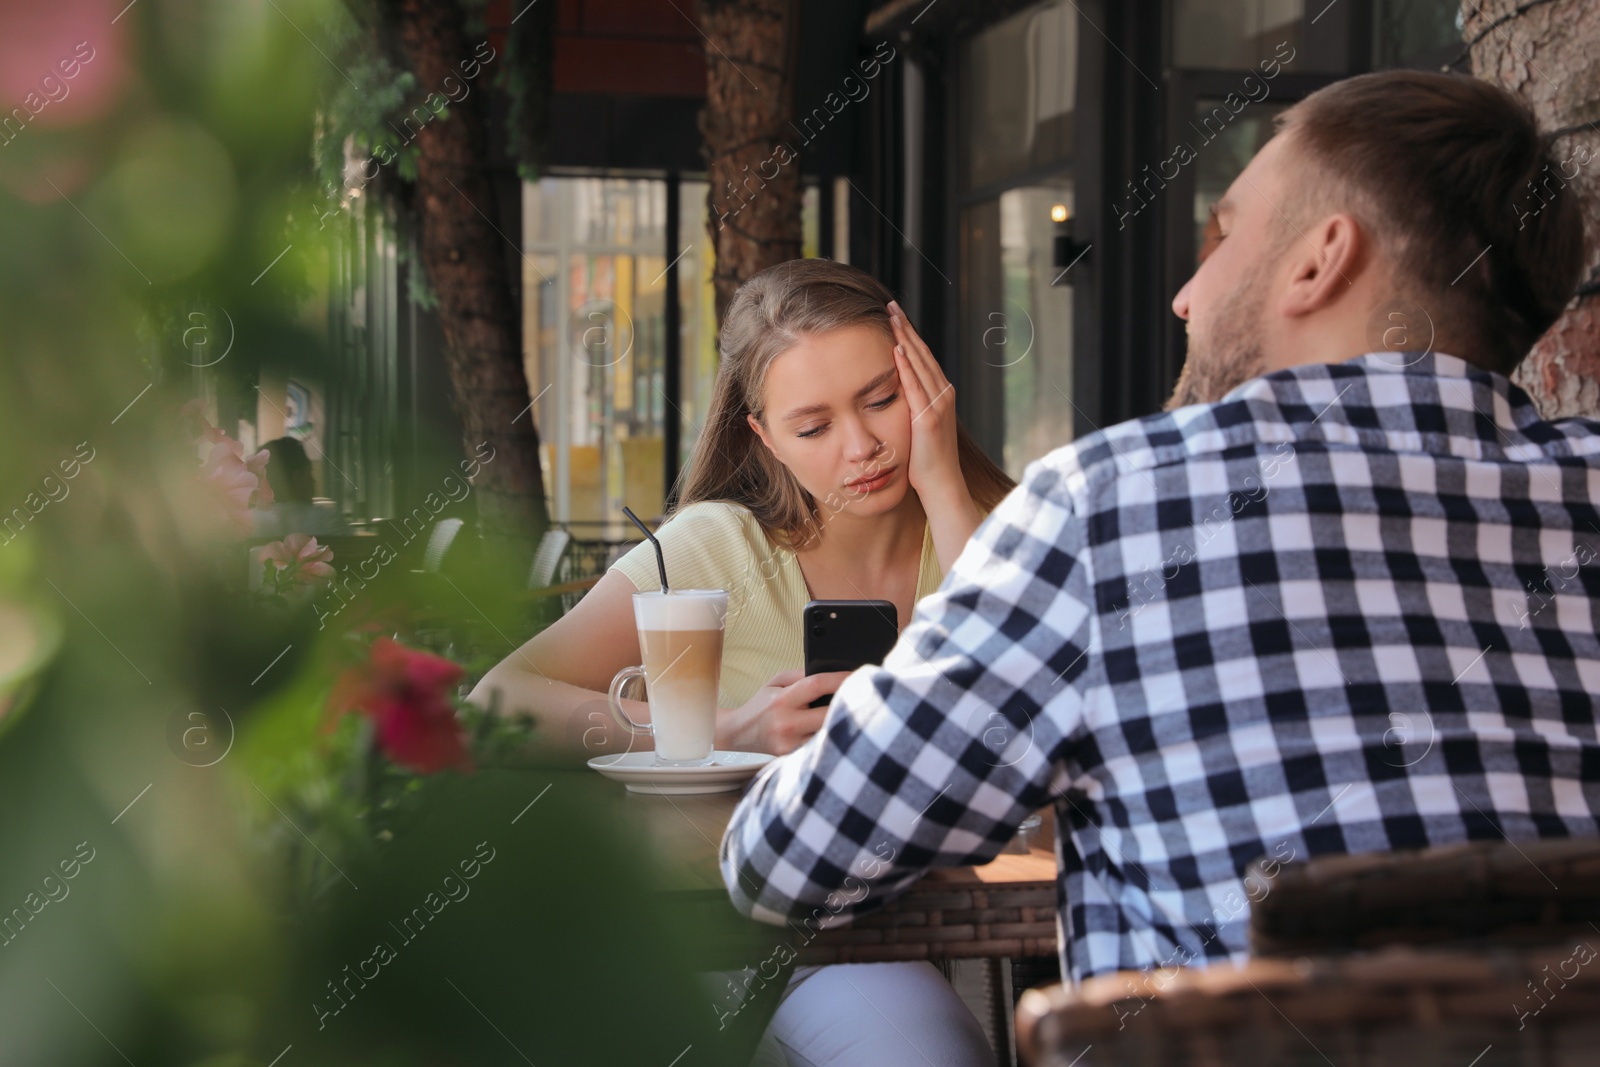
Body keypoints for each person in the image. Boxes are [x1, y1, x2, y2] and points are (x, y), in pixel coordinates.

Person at [720, 69, 1595, 987]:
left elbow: (785, 860)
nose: (1183, 294)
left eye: (1221, 236)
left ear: (1318, 259)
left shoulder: (1116, 507)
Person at [468, 259, 1015, 1065]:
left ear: (925, 385)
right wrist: (726, 730)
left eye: (882, 399)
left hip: (872, 940)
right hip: (704, 931)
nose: (862, 447)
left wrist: (944, 487)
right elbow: (494, 702)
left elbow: (1020, 700)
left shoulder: (991, 531)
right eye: (814, 425)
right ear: (763, 437)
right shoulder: (715, 544)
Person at [251, 436, 345, 538]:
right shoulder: (330, 521)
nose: (314, 481)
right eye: (310, 473)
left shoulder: (245, 524)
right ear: (298, 478)